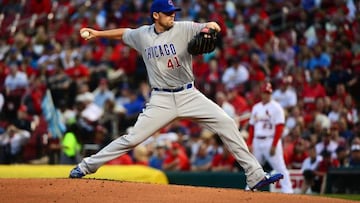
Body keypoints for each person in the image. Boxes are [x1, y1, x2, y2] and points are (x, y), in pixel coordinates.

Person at [69, 0, 283, 191]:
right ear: (156, 15)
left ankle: (255, 175)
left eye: (173, 12)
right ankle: (85, 166)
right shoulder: (142, 35)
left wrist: (211, 28)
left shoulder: (184, 28)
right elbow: (124, 32)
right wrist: (97, 33)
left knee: (226, 122)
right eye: (168, 13)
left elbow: (213, 25)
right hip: (161, 100)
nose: (173, 16)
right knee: (132, 139)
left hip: (189, 94)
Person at [246, 82, 294, 193]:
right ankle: (250, 187)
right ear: (261, 93)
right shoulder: (256, 107)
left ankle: (288, 191)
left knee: (280, 167)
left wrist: (274, 144)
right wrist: (250, 143)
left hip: (270, 140)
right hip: (257, 140)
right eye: (264, 93)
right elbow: (252, 127)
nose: (266, 95)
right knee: (253, 168)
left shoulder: (277, 108)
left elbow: (279, 127)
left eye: (268, 93)